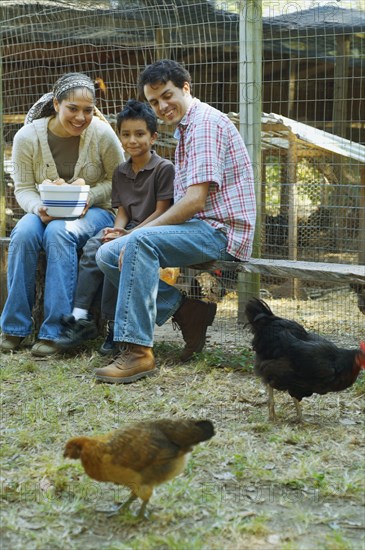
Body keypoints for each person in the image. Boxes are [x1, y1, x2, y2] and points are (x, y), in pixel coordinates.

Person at [94, 59, 256, 384]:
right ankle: (182, 308)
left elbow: (194, 202)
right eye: (154, 102)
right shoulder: (186, 128)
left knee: (136, 243)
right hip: (198, 227)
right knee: (107, 254)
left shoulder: (206, 123)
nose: (162, 106)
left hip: (220, 232)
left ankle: (138, 352)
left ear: (186, 87)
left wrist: (137, 236)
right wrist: (128, 236)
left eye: (167, 96)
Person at [0, 72, 125, 357]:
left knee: (59, 233)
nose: (80, 117)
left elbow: (119, 179)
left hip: (95, 212)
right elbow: (23, 188)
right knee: (24, 233)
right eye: (73, 109)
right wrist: (37, 208)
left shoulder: (102, 134)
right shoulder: (27, 137)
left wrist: (88, 196)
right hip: (45, 210)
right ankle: (14, 327)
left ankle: (55, 331)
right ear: (56, 104)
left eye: (88, 110)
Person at [55, 99, 174, 354]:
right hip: (127, 226)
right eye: (126, 134)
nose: (133, 140)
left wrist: (128, 235)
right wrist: (117, 230)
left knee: (115, 254)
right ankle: (79, 316)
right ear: (119, 137)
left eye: (140, 134)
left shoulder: (164, 169)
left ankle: (115, 329)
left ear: (153, 137)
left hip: (153, 229)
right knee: (94, 246)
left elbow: (162, 211)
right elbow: (122, 210)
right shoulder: (120, 171)